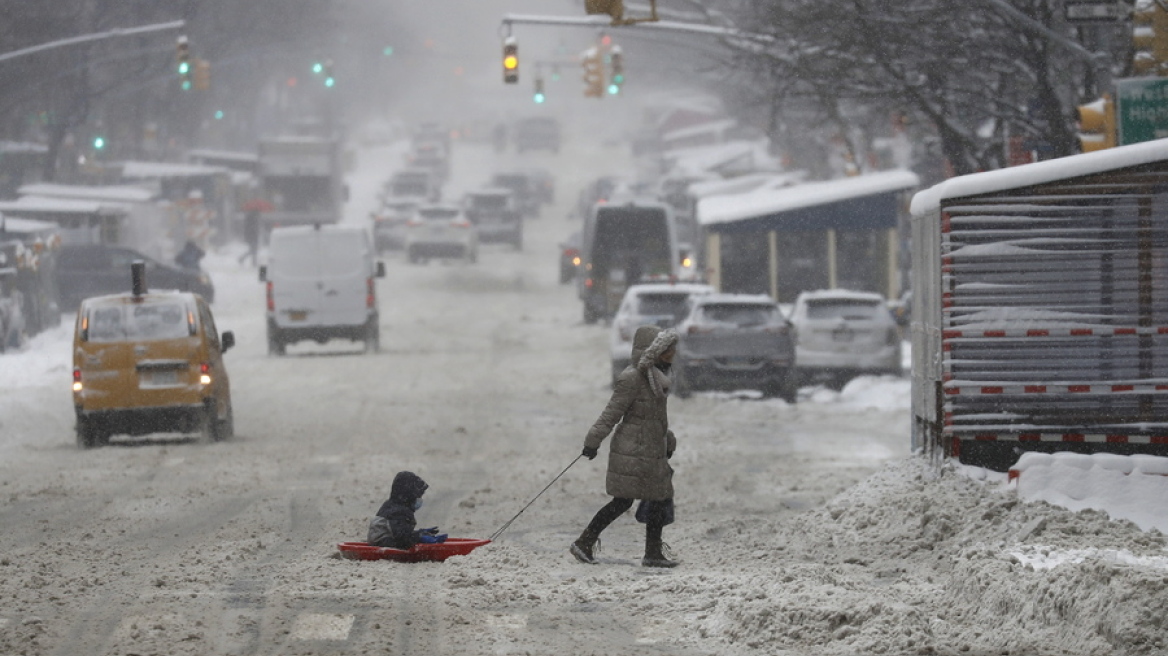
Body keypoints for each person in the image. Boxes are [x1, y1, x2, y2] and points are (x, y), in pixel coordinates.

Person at [571, 325, 680, 568]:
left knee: (658, 497)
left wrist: (668, 440)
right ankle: (584, 542)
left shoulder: (657, 377)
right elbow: (611, 414)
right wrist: (592, 441)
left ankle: (652, 552)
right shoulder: (633, 378)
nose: (673, 352)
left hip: (651, 450)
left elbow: (656, 418)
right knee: (624, 500)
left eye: (673, 348)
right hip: (632, 450)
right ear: (653, 351)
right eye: (667, 349)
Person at [367, 471, 442, 550]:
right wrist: (419, 536)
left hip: (382, 541)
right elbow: (403, 539)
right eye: (418, 496)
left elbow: (399, 530)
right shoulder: (400, 511)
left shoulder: (392, 505)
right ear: (410, 495)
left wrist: (421, 532)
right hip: (385, 543)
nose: (420, 499)